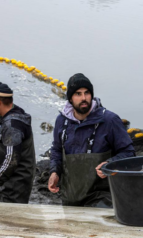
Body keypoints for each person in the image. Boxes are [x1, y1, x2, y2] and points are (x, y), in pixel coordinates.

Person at [48, 73, 136, 208]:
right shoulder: (62, 121)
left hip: (102, 198)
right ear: (70, 99)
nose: (84, 98)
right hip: (71, 198)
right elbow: (56, 150)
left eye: (87, 93)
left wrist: (109, 164)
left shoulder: (109, 120)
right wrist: (54, 172)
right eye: (78, 94)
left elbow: (129, 153)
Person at [0, 82, 36, 203]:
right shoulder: (11, 114)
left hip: (16, 182)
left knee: (10, 219)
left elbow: (11, 161)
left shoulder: (12, 126)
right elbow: (12, 146)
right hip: (12, 178)